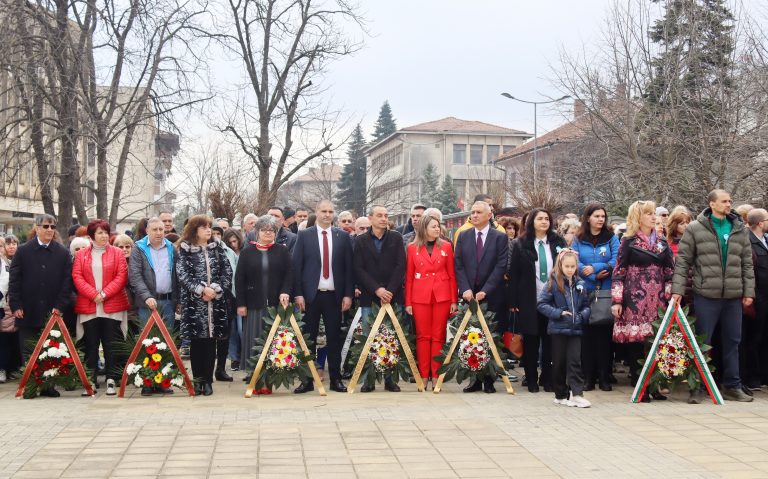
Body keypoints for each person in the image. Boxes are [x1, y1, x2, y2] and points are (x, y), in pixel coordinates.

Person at [672, 190, 755, 403]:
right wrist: (677, 290)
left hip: (733, 296)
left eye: (730, 201)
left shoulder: (738, 228)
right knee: (702, 341)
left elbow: (747, 263)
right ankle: (698, 386)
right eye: (724, 201)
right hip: (706, 294)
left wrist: (748, 292)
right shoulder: (694, 228)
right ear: (712, 204)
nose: (729, 204)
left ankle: (732, 385)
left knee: (733, 341)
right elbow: (683, 262)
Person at [612, 201, 674, 402]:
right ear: (638, 217)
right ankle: (641, 386)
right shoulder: (628, 241)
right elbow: (619, 271)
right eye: (647, 213)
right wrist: (617, 300)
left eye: (653, 213)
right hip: (634, 296)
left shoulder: (662, 241)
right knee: (637, 342)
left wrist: (669, 294)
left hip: (658, 297)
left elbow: (669, 271)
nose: (653, 217)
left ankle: (656, 384)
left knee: (656, 341)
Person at [292, 200, 354, 393]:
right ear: (316, 212)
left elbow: (348, 268)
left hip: (334, 296)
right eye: (324, 211)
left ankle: (336, 379)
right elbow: (296, 267)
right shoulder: (304, 236)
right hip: (311, 296)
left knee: (334, 338)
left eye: (331, 211)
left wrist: (348, 295)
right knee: (307, 338)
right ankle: (307, 380)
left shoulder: (343, 236)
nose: (328, 214)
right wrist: (298, 294)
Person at [9, 215, 73, 397]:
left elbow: (67, 282)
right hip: (27, 309)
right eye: (45, 226)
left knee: (50, 348)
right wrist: (16, 304)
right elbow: (14, 280)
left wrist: (60, 305)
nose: (50, 229)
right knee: (29, 349)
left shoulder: (62, 252)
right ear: (36, 228)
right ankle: (30, 385)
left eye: (53, 226)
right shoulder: (23, 251)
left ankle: (48, 385)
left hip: (52, 309)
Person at [508, 208, 566, 393]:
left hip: (552, 300)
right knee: (531, 341)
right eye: (540, 219)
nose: (544, 222)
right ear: (531, 221)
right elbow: (514, 274)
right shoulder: (520, 243)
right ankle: (531, 379)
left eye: (547, 219)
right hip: (529, 299)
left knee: (550, 341)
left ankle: (547, 379)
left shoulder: (557, 242)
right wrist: (514, 302)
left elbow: (565, 268)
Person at [72, 219, 130, 396]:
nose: (104, 235)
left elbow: (121, 277)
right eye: (100, 233)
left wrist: (103, 294)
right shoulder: (82, 255)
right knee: (90, 344)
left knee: (111, 343)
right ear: (91, 236)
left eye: (106, 232)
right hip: (89, 305)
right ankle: (90, 380)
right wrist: (93, 294)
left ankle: (111, 378)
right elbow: (77, 276)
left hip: (112, 304)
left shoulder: (117, 253)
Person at [455, 201, 508, 393]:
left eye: (479, 212)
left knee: (491, 337)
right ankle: (474, 379)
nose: (474, 215)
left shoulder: (500, 237)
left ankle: (489, 380)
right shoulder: (463, 235)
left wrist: (486, 289)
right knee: (472, 337)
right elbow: (458, 264)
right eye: (472, 212)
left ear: (489, 215)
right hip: (469, 295)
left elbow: (501, 265)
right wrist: (465, 289)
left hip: (492, 295)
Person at [176, 215, 232, 396]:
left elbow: (227, 272)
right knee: (196, 343)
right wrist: (201, 290)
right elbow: (183, 275)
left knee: (210, 343)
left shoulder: (217, 249)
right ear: (194, 230)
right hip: (194, 304)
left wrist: (215, 289)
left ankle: (208, 381)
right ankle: (198, 380)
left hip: (215, 304)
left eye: (210, 227)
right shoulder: (185, 250)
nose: (208, 230)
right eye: (204, 227)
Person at [235, 215, 292, 394]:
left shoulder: (282, 251)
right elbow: (239, 279)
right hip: (253, 305)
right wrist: (241, 304)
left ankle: (269, 378)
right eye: (264, 230)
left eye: (272, 230)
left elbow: (289, 275)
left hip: (276, 305)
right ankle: (255, 378)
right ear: (257, 232)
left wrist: (285, 291)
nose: (268, 233)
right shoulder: (246, 252)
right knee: (254, 339)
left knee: (273, 341)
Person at [352, 205, 406, 392]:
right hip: (370, 297)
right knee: (369, 338)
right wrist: (377, 289)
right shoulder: (361, 240)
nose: (383, 218)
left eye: (386, 215)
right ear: (370, 218)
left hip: (392, 297)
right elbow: (358, 269)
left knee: (391, 337)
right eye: (379, 215)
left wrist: (388, 291)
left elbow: (401, 266)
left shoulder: (396, 238)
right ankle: (369, 379)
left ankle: (390, 379)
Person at [405, 212, 457, 389]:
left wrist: (453, 300)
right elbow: (409, 277)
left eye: (438, 226)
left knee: (438, 337)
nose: (438, 229)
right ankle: (423, 377)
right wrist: (408, 303)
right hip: (420, 297)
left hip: (442, 296)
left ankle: (436, 376)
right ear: (424, 228)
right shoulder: (412, 248)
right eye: (434, 226)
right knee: (422, 337)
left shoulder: (447, 246)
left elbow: (451, 274)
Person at [572, 203, 619, 392]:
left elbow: (616, 259)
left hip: (606, 291)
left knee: (604, 337)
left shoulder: (611, 238)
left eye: (603, 216)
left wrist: (598, 268)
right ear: (588, 218)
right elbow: (575, 261)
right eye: (597, 216)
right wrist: (590, 275)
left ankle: (604, 376)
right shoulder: (578, 238)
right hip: (585, 291)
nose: (600, 219)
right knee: (587, 337)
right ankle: (588, 377)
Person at [537, 249, 591, 408]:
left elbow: (586, 305)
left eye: (573, 266)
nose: (569, 269)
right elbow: (541, 304)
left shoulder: (580, 283)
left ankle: (577, 394)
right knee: (559, 362)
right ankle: (560, 394)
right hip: (558, 329)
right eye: (566, 266)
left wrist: (581, 316)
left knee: (575, 361)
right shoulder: (553, 282)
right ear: (560, 265)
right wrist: (559, 313)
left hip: (576, 329)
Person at [129, 218, 178, 332]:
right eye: (155, 229)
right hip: (147, 302)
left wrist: (178, 300)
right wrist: (147, 296)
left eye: (161, 229)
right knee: (147, 342)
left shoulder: (172, 248)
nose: (159, 232)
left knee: (167, 341)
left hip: (168, 302)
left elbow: (177, 275)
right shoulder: (138, 248)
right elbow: (135, 276)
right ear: (147, 230)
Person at [743, 208, 768, 390]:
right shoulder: (748, 242)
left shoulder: (765, 240)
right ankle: (752, 376)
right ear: (760, 223)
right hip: (757, 296)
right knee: (754, 338)